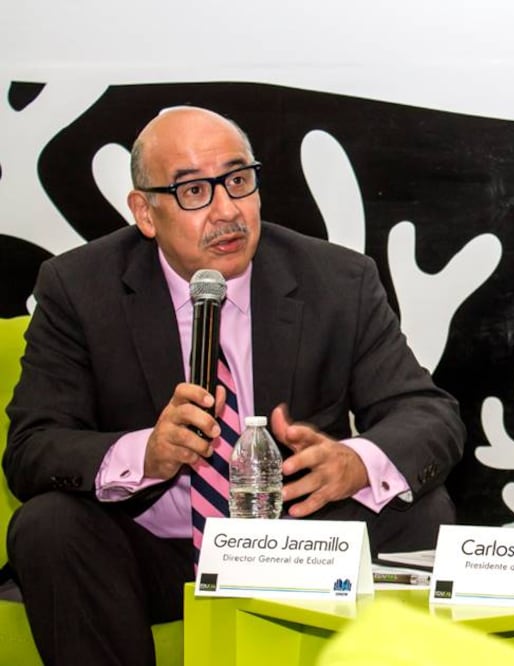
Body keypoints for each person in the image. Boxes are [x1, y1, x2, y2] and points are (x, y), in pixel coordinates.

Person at [2, 106, 465, 665]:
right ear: (145, 212)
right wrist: (146, 454)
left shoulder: (338, 280)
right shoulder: (79, 288)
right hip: (151, 550)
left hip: (296, 543)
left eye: (239, 181)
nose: (227, 211)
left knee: (420, 507)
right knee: (49, 525)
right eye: (194, 191)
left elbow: (427, 413)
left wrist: (354, 463)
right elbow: (33, 447)